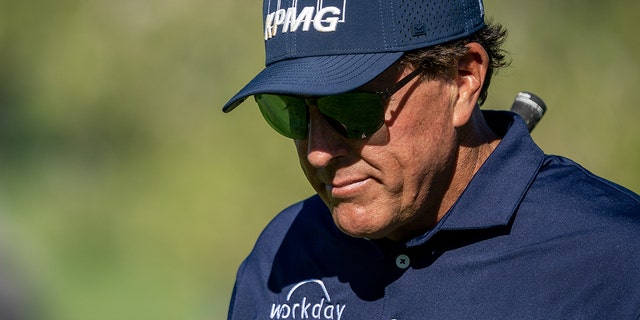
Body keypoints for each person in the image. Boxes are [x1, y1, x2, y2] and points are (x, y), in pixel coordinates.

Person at [222, 0, 640, 319]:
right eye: (290, 111)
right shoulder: (281, 255)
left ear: (462, 80)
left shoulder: (616, 257)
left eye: (351, 107)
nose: (317, 150)